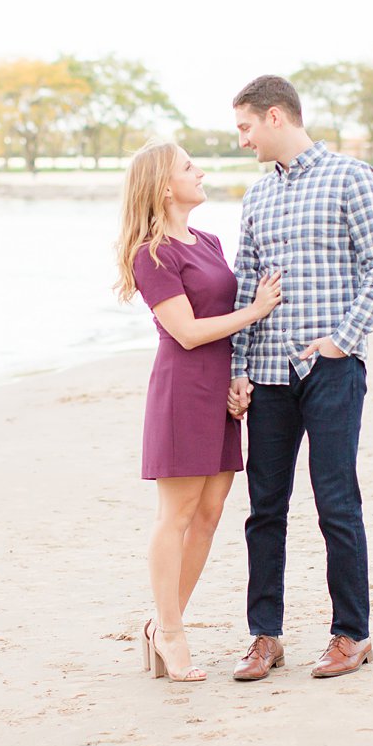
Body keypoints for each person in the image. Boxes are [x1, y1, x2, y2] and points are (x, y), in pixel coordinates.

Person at [225, 75, 373, 681]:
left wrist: (340, 343)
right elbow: (246, 287)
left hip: (330, 370)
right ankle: (264, 637)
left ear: (276, 117)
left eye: (245, 127)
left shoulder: (351, 177)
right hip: (269, 374)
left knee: (335, 501)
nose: (242, 140)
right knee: (264, 509)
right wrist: (237, 369)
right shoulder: (255, 198)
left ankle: (352, 633)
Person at [115, 140, 282, 683]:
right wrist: (257, 311)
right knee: (177, 515)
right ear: (165, 186)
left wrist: (238, 373)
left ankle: (161, 624)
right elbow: (186, 332)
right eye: (190, 167)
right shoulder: (153, 253)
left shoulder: (208, 241)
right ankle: (170, 631)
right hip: (183, 390)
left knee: (210, 514)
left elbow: (218, 318)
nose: (201, 171)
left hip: (218, 390)